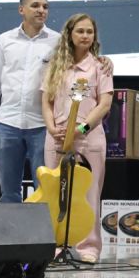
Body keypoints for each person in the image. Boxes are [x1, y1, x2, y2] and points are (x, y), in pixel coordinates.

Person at [41, 14, 114, 264]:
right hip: (57, 139)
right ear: (69, 34)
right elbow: (46, 102)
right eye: (80, 31)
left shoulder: (100, 66)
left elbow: (104, 104)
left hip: (88, 140)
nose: (85, 36)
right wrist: (52, 128)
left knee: (89, 194)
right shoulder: (55, 65)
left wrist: (80, 129)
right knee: (55, 194)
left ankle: (88, 247)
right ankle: (57, 245)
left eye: (89, 32)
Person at [0, 0, 58, 204]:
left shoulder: (58, 41)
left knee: (45, 191)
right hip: (7, 124)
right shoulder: (5, 40)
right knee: (9, 192)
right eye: (35, 6)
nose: (41, 10)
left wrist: (103, 61)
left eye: (45, 6)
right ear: (21, 9)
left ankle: (43, 228)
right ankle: (10, 228)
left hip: (43, 126)